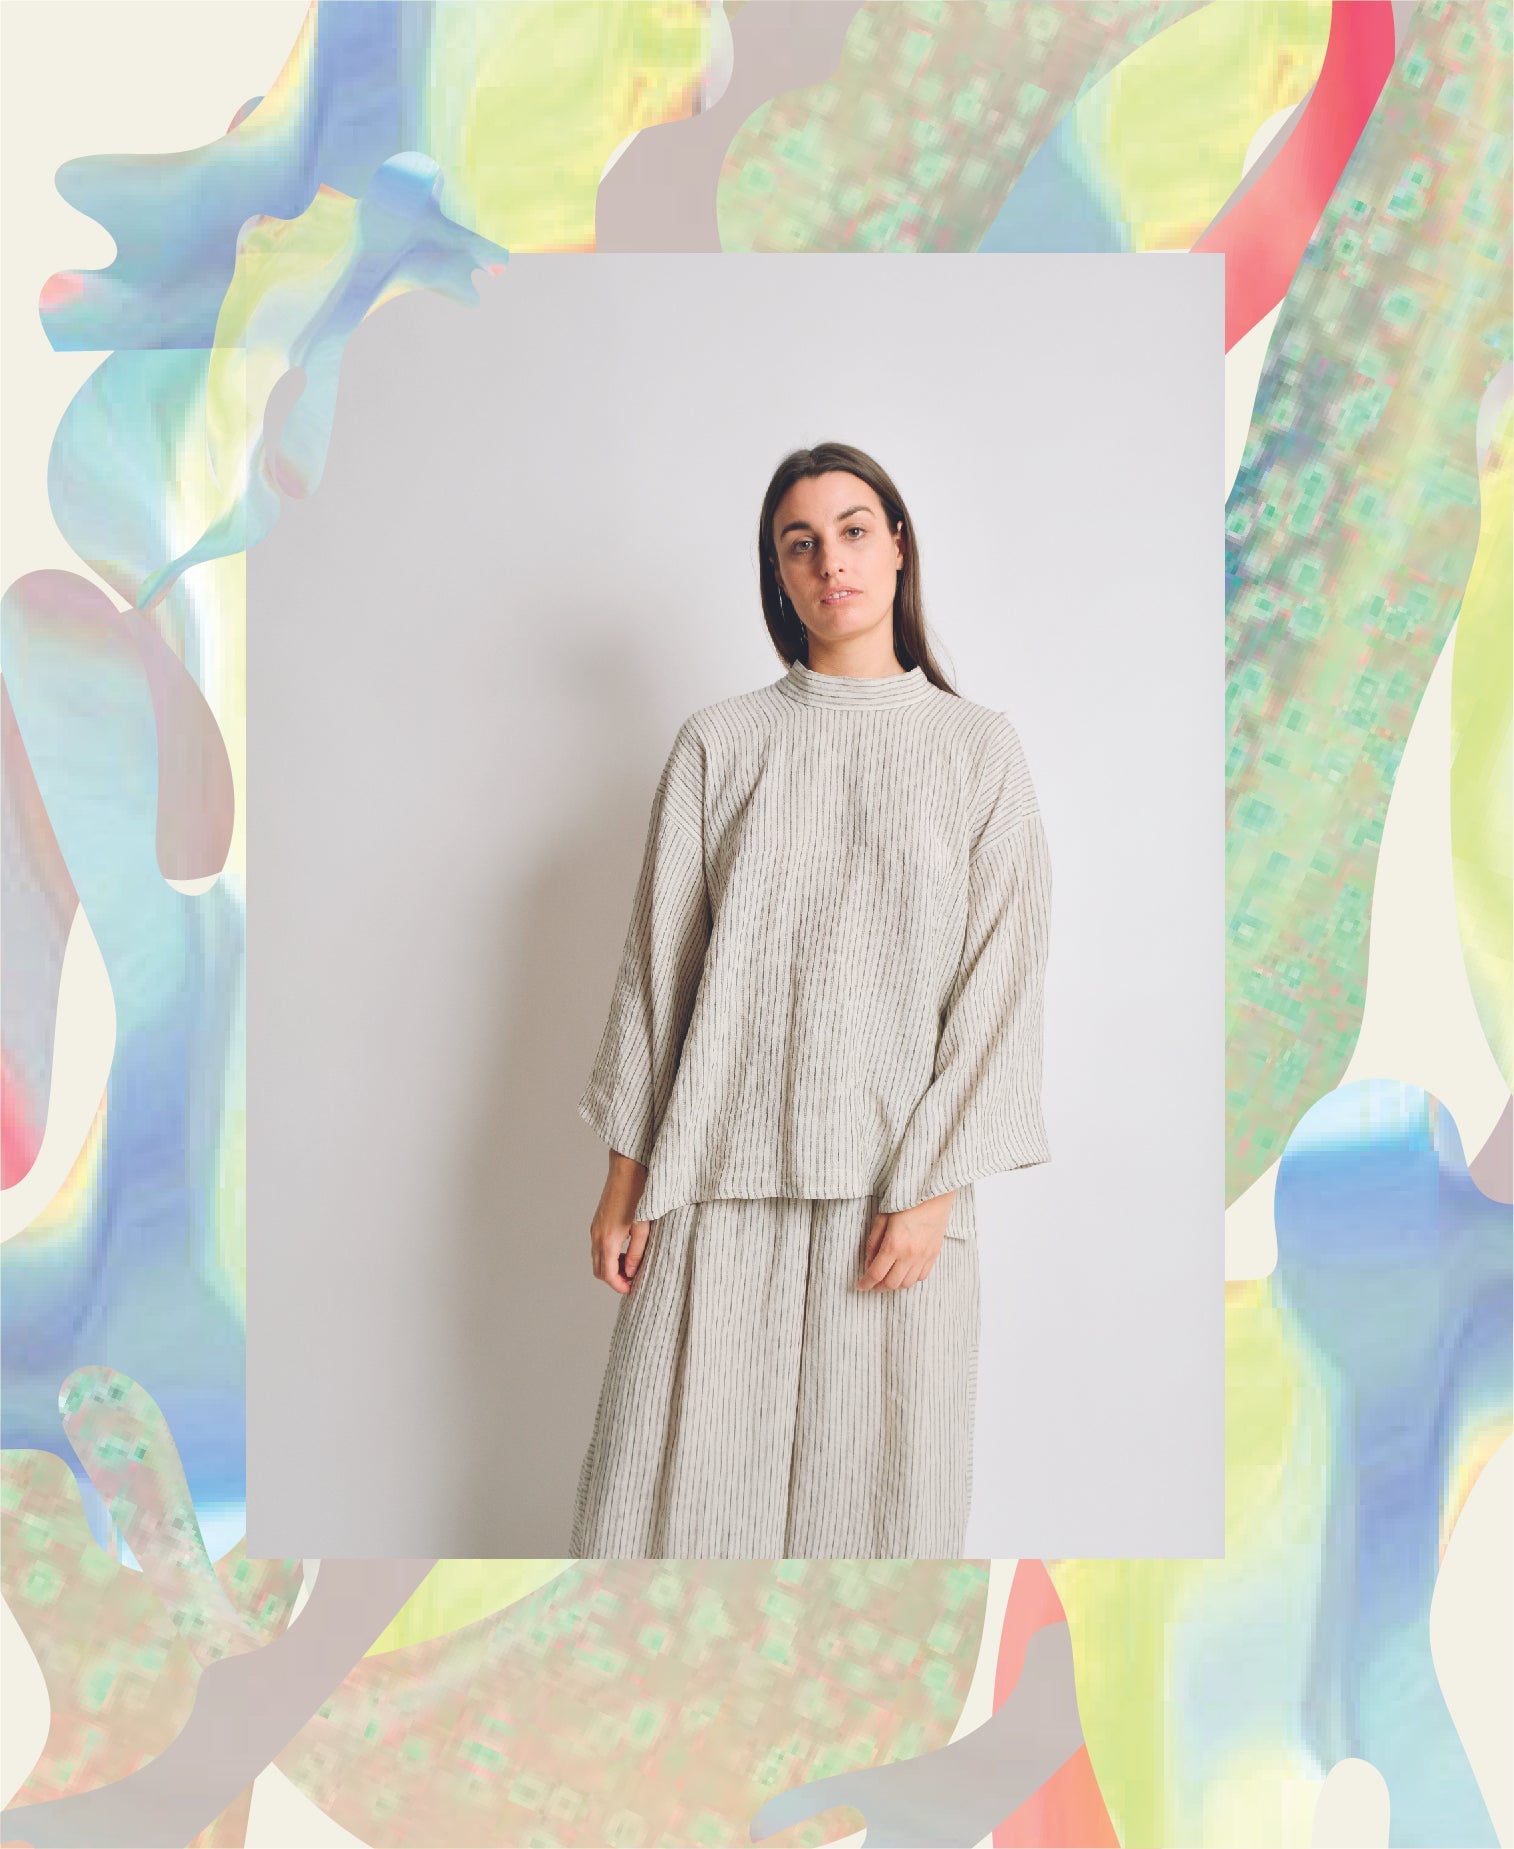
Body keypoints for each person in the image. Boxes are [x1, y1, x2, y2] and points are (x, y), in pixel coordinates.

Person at [569, 439, 1052, 1560]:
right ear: (778, 576)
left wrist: (931, 1188)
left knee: (878, 1524)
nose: (830, 560)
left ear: (897, 547)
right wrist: (623, 1182)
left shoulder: (977, 752)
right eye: (800, 544)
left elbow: (1000, 980)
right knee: (665, 1519)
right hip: (713, 1185)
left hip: (895, 1207)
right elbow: (658, 973)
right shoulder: (719, 745)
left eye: (851, 530)